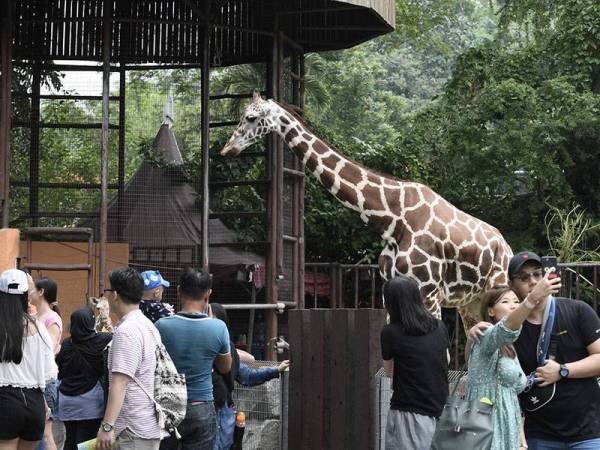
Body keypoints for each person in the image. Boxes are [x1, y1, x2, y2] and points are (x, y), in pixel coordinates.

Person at [469, 251, 600, 449]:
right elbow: (487, 350)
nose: (533, 281)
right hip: (538, 434)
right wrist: (474, 332)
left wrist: (563, 370)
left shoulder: (578, 310)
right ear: (512, 286)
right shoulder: (508, 330)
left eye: (538, 274)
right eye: (524, 277)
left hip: (586, 431)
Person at [467, 282, 556, 450]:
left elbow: (513, 399)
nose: (514, 305)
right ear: (490, 311)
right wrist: (531, 300)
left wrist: (521, 440)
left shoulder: (509, 348)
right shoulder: (485, 335)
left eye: (516, 301)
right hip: (487, 429)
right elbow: (505, 329)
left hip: (510, 431)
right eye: (506, 302)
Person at [156, 268, 232, 450]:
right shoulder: (218, 328)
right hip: (201, 404)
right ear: (208, 293)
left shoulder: (161, 326)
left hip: (168, 405)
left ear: (179, 290)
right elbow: (225, 368)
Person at [380, 274, 450, 450]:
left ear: (390, 303)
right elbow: (446, 359)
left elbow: (389, 372)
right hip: (441, 412)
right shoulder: (439, 326)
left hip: (409, 413)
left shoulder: (390, 333)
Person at [96, 267, 162, 450]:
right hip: (143, 424)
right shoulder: (147, 325)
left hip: (132, 429)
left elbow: (120, 382)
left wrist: (107, 426)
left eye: (106, 291)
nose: (105, 296)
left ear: (115, 295)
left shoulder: (127, 331)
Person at [209, 303, 289, 450]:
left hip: (223, 415)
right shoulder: (198, 350)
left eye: (211, 320)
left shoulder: (229, 350)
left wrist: (276, 369)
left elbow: (247, 375)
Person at [0, 269, 58, 450]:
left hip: (5, 401)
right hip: (34, 405)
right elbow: (51, 374)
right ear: (26, 294)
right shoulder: (39, 328)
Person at [56, 307, 112, 450]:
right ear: (91, 322)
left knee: (70, 440)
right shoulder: (102, 340)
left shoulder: (67, 343)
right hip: (89, 403)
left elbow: (60, 371)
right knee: (86, 443)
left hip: (66, 401)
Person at [29, 277, 63, 450]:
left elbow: (46, 350)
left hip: (46, 381)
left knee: (46, 433)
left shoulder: (52, 319)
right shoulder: (34, 317)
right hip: (33, 380)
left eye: (33, 289)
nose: (29, 292)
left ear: (41, 292)